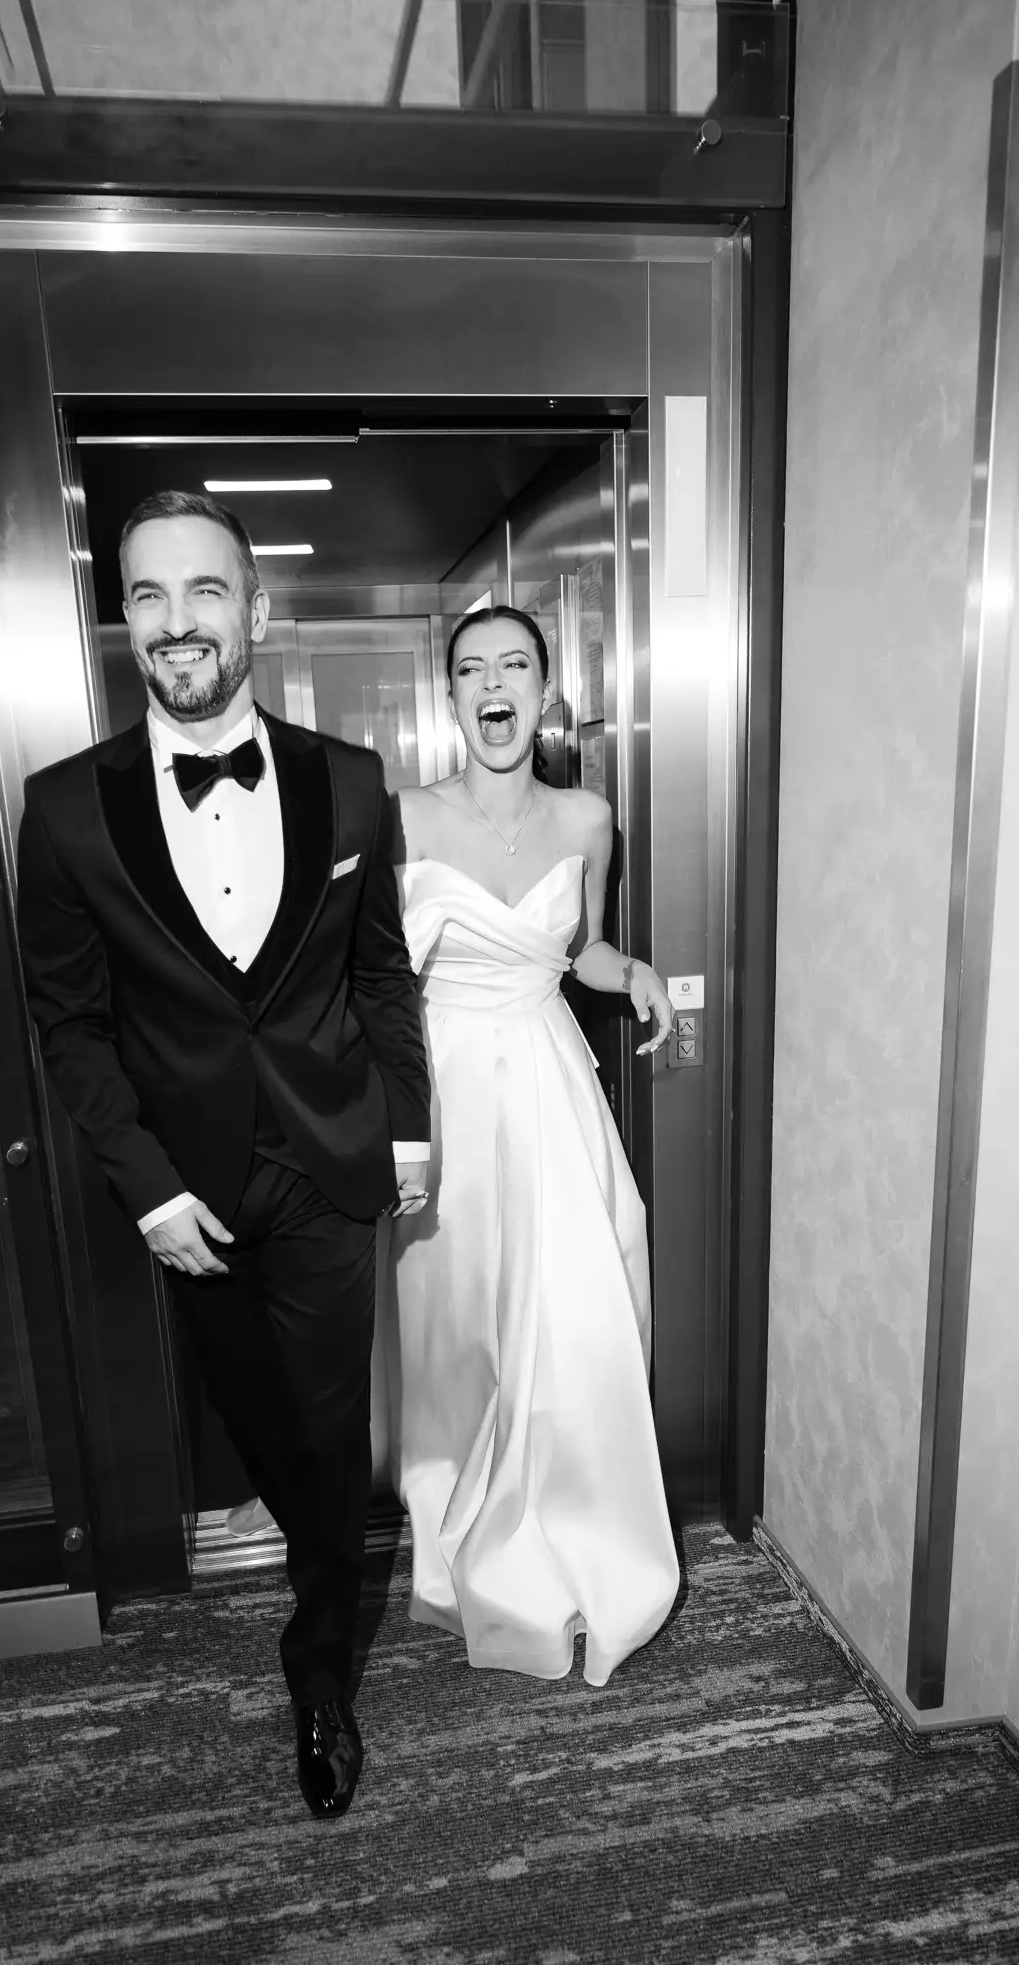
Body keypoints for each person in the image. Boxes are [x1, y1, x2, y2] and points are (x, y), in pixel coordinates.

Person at [15, 491, 430, 1819]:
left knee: (323, 1427)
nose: (178, 620)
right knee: (261, 1428)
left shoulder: (348, 782)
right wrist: (146, 1189)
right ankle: (313, 1552)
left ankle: (320, 1678)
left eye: (205, 591)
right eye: (148, 595)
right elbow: (69, 1026)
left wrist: (408, 1131)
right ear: (122, 621)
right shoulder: (65, 812)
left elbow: (381, 984)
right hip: (185, 1194)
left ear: (253, 611)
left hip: (324, 1171)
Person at [389, 604, 681, 1683]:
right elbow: (379, 980)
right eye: (471, 669)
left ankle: (576, 1538)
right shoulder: (403, 818)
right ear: (452, 697)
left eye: (514, 662)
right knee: (466, 1327)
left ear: (544, 688)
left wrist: (636, 971)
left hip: (553, 1086)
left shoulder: (589, 817)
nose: (493, 683)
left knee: (574, 1314)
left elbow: (586, 946)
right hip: (453, 1094)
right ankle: (462, 1527)